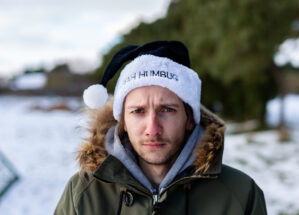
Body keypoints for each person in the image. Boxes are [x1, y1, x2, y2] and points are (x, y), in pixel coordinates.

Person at [55, 40, 267, 215]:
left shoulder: (240, 194)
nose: (152, 129)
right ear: (123, 123)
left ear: (190, 118)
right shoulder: (83, 194)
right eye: (138, 111)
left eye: (166, 110)